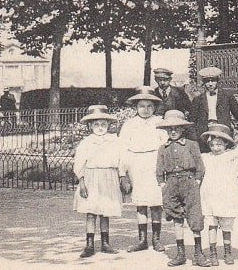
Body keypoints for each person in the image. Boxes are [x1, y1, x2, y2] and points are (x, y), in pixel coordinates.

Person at [72, 105, 125, 258]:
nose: (100, 127)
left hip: (108, 177)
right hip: (91, 177)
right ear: (90, 126)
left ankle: (105, 242)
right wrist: (82, 183)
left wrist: (122, 176)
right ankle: (89, 244)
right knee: (91, 211)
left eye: (103, 124)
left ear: (108, 125)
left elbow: (121, 159)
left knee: (105, 211)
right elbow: (79, 163)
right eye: (96, 124)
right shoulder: (86, 143)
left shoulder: (114, 140)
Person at [156, 110, 208, 267]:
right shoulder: (163, 148)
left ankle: (198, 253)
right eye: (169, 128)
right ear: (165, 130)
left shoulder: (192, 145)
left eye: (177, 128)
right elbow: (159, 170)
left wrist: (196, 181)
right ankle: (180, 254)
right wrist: (163, 185)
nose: (173, 131)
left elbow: (200, 167)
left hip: (189, 182)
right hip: (171, 184)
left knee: (194, 216)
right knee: (176, 218)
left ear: (183, 129)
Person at [120, 86, 168, 253]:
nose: (145, 110)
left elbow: (166, 146)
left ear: (154, 107)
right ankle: (142, 240)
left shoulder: (160, 122)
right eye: (142, 106)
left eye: (149, 106)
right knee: (141, 203)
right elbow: (123, 149)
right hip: (137, 164)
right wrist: (122, 173)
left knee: (156, 203)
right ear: (136, 107)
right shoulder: (129, 125)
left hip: (155, 163)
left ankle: (156, 239)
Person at [199, 123, 238, 266]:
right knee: (212, 224)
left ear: (226, 144)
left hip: (226, 195)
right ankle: (213, 253)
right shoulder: (206, 158)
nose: (216, 148)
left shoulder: (232, 158)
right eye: (213, 145)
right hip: (210, 195)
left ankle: (227, 252)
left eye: (219, 144)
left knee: (226, 226)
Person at [190, 67, 238, 151]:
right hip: (204, 134)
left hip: (222, 131)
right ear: (203, 82)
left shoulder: (227, 96)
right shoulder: (198, 99)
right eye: (207, 81)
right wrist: (194, 138)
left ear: (217, 81)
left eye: (213, 80)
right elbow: (192, 120)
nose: (210, 84)